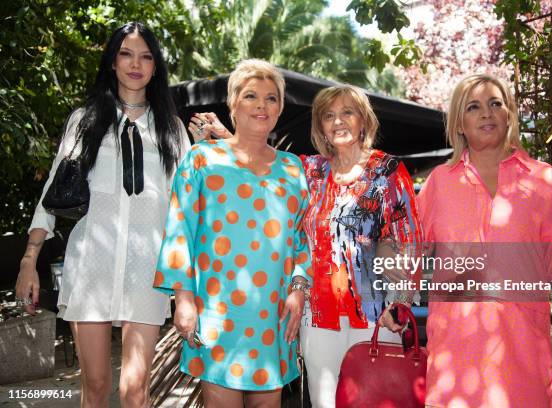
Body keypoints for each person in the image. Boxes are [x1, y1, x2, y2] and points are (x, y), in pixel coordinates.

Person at [382, 73, 552, 407]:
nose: (487, 113)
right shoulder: (438, 184)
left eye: (495, 104)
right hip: (455, 361)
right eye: (474, 107)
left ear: (509, 115)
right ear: (460, 124)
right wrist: (400, 301)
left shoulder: (544, 180)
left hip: (523, 354)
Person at [190, 84, 422, 407]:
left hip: (375, 315)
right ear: (321, 127)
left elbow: (409, 240)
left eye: (347, 113)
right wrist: (226, 136)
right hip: (318, 315)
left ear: (363, 121)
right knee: (324, 402)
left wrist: (399, 303)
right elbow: (260, 165)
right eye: (328, 116)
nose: (338, 121)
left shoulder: (387, 171)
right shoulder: (309, 171)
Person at [15, 22, 191, 407]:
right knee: (94, 385)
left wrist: (186, 284)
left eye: (146, 56)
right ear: (113, 61)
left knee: (134, 390)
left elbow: (188, 207)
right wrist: (30, 259)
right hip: (92, 262)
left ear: (156, 67)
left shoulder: (172, 130)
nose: (135, 64)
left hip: (149, 268)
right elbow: (51, 193)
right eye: (127, 54)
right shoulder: (85, 120)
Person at [154, 59, 312, 407]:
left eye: (272, 98)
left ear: (280, 108)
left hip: (273, 315)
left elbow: (301, 239)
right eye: (251, 96)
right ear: (233, 105)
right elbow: (180, 230)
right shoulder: (201, 159)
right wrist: (182, 299)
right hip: (216, 312)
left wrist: (299, 291)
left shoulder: (293, 168)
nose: (262, 105)